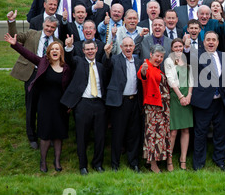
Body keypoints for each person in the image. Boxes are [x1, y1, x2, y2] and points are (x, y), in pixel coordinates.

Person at [5, 34, 70, 173]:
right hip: (45, 104)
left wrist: (69, 104)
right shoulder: (43, 63)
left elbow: (68, 87)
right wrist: (15, 45)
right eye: (52, 49)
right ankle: (43, 161)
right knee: (45, 134)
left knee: (59, 134)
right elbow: (28, 54)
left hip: (60, 106)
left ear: (61, 53)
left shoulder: (66, 68)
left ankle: (57, 160)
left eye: (57, 49)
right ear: (49, 52)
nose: (55, 51)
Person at [7, 11, 61, 150]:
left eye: (52, 27)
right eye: (48, 26)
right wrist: (11, 22)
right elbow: (15, 37)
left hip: (47, 77)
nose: (49, 29)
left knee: (45, 107)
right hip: (32, 74)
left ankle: (45, 134)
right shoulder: (31, 34)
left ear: (55, 29)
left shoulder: (57, 43)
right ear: (43, 24)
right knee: (31, 106)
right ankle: (32, 136)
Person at [183, 31, 225, 172]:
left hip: (221, 101)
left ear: (217, 42)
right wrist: (186, 47)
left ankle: (220, 160)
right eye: (208, 40)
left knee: (221, 132)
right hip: (203, 101)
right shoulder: (196, 55)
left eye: (213, 40)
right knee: (200, 133)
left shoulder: (224, 56)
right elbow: (186, 58)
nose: (211, 42)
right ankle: (198, 163)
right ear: (203, 42)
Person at [61, 38, 108, 175]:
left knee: (100, 137)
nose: (90, 51)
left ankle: (97, 164)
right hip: (83, 104)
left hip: (99, 104)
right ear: (83, 51)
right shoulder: (78, 62)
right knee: (82, 137)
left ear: (96, 49)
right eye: (87, 49)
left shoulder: (100, 66)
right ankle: (83, 166)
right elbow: (69, 59)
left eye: (92, 49)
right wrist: (69, 47)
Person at [103, 37, 143, 172]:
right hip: (120, 102)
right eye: (125, 46)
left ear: (134, 47)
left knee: (134, 134)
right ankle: (115, 164)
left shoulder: (138, 61)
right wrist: (107, 54)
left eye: (130, 46)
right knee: (117, 134)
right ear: (121, 47)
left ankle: (134, 162)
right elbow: (106, 66)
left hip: (135, 102)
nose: (128, 48)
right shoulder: (114, 59)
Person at [137, 44, 171, 173]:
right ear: (151, 54)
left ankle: (150, 160)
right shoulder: (146, 66)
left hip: (163, 107)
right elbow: (142, 75)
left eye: (161, 56)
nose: (159, 58)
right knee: (153, 135)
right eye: (157, 56)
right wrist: (144, 70)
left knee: (160, 135)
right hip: (153, 107)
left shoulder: (157, 68)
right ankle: (153, 164)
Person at [164, 38, 194, 171]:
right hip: (175, 96)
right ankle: (169, 160)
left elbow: (191, 80)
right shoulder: (168, 61)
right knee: (174, 130)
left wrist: (188, 95)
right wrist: (181, 96)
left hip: (187, 96)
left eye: (180, 46)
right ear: (172, 48)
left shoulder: (187, 61)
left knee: (186, 129)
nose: (178, 49)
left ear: (183, 47)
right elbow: (170, 79)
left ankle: (183, 159)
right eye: (175, 46)